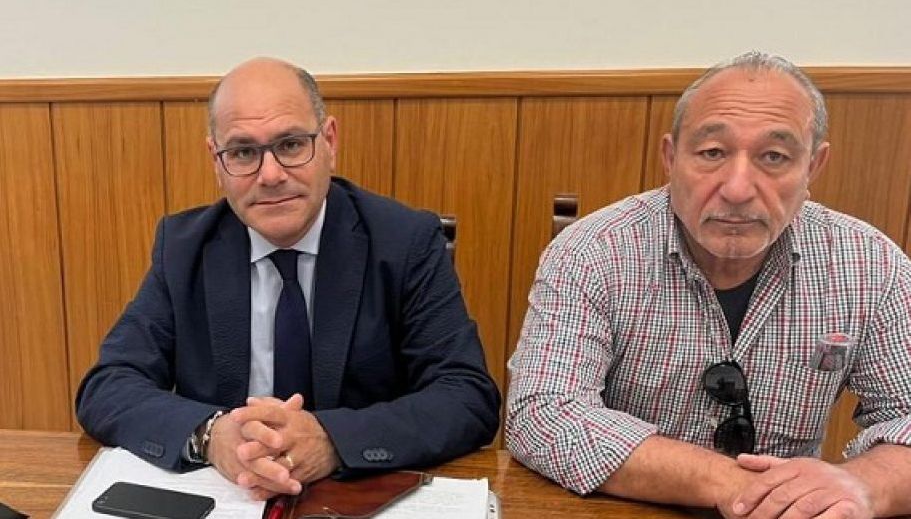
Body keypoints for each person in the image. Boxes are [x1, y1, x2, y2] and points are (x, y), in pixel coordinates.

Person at [505, 51, 911, 518]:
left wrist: (860, 487)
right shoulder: (595, 251)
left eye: (774, 157)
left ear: (813, 167)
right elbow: (543, 412)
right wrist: (736, 484)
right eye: (712, 153)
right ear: (670, 157)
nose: (737, 189)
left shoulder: (870, 264)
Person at [77, 57, 500, 500]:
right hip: (233, 496)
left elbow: (466, 396)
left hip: (356, 497)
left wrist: (332, 439)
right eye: (243, 153)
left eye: (292, 144)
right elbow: (108, 386)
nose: (271, 175)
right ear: (217, 162)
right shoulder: (184, 248)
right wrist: (213, 434)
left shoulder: (404, 241)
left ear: (329, 141)